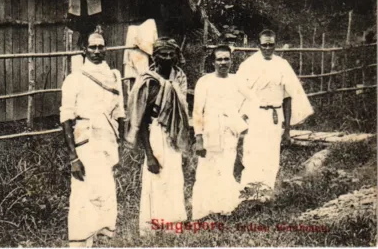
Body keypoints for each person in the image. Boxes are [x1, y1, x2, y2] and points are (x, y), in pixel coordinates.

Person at [60, 29, 125, 247]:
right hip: (85, 141)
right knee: (83, 192)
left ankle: (103, 239)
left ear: (106, 49)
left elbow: (119, 113)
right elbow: (66, 118)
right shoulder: (74, 78)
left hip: (107, 140)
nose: (97, 51)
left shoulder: (114, 76)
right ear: (83, 50)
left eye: (101, 47)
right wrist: (73, 157)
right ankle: (80, 242)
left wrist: (120, 145)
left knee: (105, 190)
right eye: (92, 47)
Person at [125, 37, 190, 236]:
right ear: (155, 56)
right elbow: (142, 121)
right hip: (155, 133)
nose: (168, 58)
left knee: (175, 178)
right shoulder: (148, 81)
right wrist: (149, 155)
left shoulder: (179, 78)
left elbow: (182, 113)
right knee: (156, 178)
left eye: (171, 54)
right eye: (163, 54)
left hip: (174, 136)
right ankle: (152, 227)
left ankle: (172, 225)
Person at [237, 30, 314, 196]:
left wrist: (287, 129)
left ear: (275, 45)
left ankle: (266, 192)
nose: (267, 48)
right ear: (258, 45)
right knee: (252, 150)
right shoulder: (248, 65)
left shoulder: (282, 64)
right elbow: (239, 93)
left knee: (271, 153)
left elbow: (287, 98)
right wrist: (241, 119)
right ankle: (249, 191)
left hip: (274, 115)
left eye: (270, 45)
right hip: (255, 114)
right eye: (264, 45)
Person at [191, 45, 254, 219]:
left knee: (226, 169)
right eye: (219, 59)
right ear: (213, 62)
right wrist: (199, 138)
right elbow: (197, 112)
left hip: (229, 133)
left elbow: (252, 100)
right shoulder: (204, 81)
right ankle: (204, 212)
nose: (223, 62)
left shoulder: (237, 80)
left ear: (231, 61)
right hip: (210, 131)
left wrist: (241, 118)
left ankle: (224, 210)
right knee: (206, 170)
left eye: (226, 59)